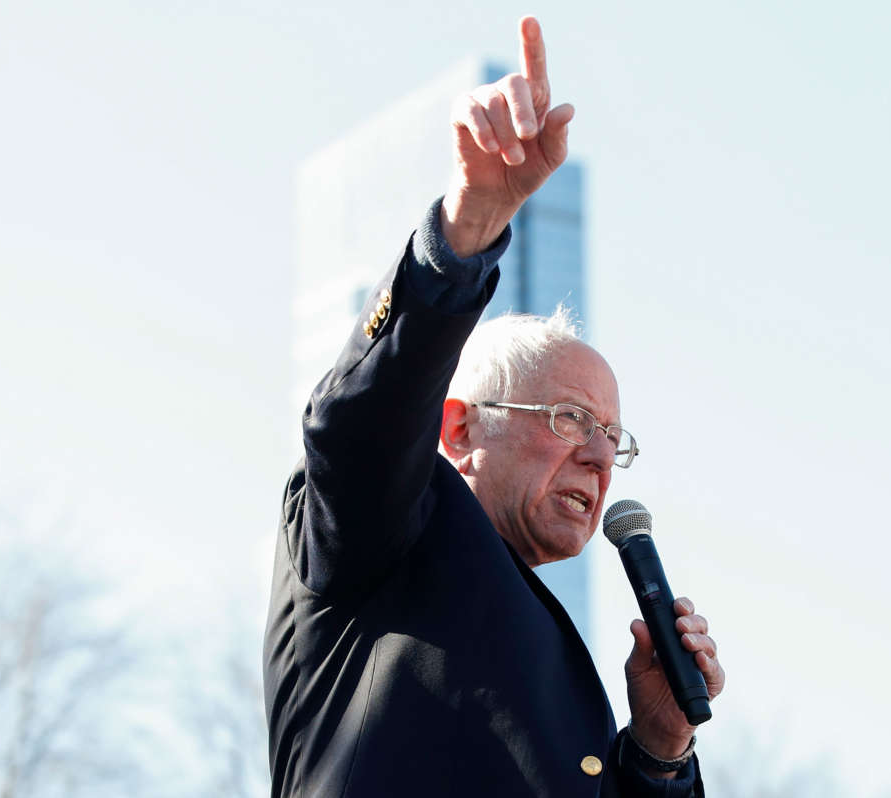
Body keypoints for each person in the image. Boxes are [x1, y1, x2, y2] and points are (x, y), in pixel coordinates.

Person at [263, 16, 725, 797]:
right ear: (461, 426)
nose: (601, 456)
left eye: (614, 436)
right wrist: (468, 224)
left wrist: (657, 751)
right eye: (571, 419)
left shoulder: (561, 663)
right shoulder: (381, 532)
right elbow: (360, 425)